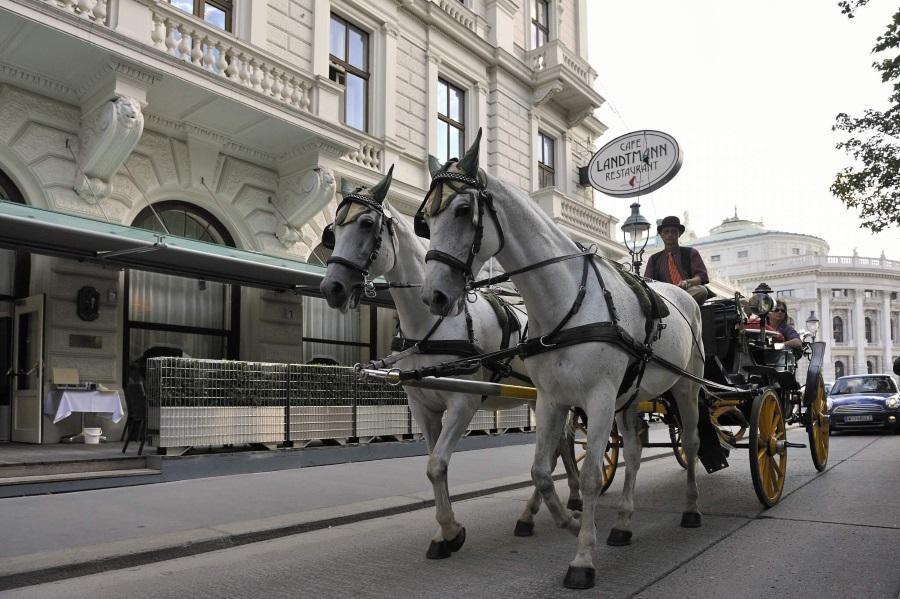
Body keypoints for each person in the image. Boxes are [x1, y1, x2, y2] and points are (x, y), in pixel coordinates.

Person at [644, 215, 709, 305]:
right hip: (664, 295)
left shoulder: (691, 252)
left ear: (679, 234)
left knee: (702, 291)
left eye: (673, 232)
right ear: (661, 235)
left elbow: (701, 276)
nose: (669, 235)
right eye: (666, 232)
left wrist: (687, 282)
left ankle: (672, 305)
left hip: (687, 292)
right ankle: (670, 303)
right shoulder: (654, 259)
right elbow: (648, 282)